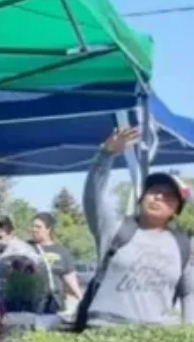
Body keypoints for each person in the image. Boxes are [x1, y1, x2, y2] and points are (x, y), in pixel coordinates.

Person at [77, 127, 194, 328]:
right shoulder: (115, 229)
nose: (158, 197)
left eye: (168, 196)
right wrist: (105, 155)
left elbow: (189, 294)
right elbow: (93, 198)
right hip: (104, 334)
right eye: (153, 191)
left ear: (176, 210)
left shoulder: (183, 245)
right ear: (141, 199)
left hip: (156, 340)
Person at [28, 212, 82, 313]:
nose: (34, 229)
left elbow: (70, 277)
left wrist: (81, 298)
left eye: (38, 227)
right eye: (33, 226)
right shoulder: (26, 249)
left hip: (55, 302)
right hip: (32, 302)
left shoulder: (62, 251)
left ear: (48, 229)